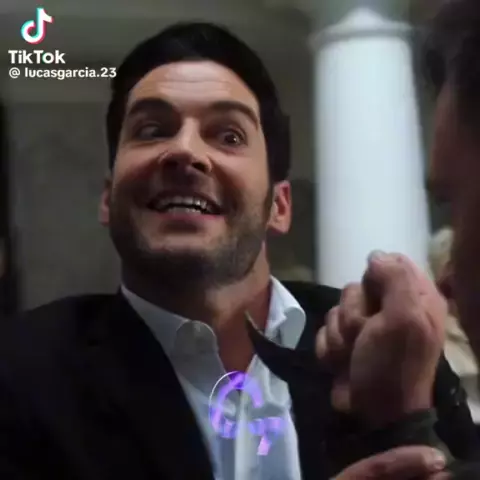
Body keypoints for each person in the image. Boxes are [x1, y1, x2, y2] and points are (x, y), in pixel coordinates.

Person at [0, 21, 476, 480]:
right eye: (152, 130)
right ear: (108, 198)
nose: (184, 151)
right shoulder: (21, 373)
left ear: (279, 206)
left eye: (228, 135)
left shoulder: (385, 346)